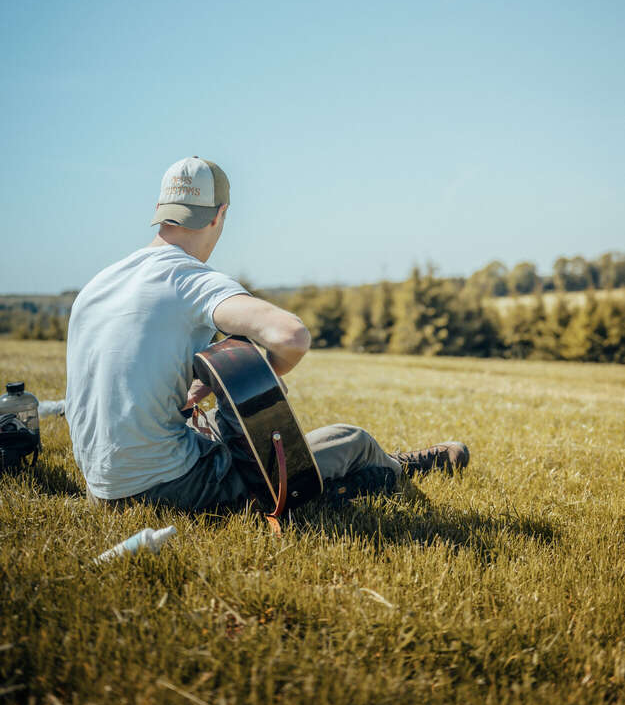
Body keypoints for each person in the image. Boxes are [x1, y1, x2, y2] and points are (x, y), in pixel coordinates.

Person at [65, 156, 469, 512]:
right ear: (219, 214)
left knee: (223, 429)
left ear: (159, 211)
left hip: (100, 487)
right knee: (351, 438)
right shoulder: (189, 278)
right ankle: (390, 466)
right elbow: (290, 335)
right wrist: (264, 379)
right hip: (170, 487)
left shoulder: (98, 285)